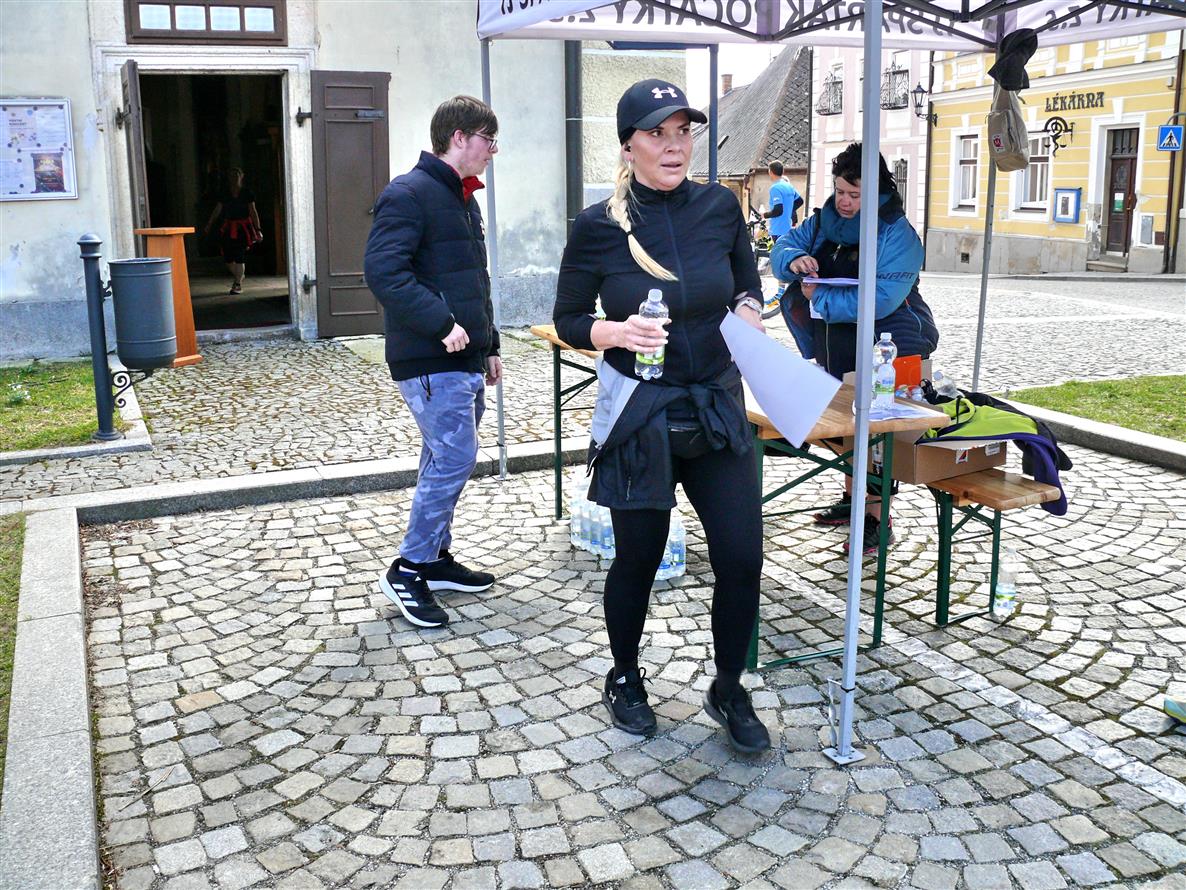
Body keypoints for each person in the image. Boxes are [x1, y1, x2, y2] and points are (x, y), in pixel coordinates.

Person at [554, 79, 772, 754]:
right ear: (629, 146)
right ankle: (624, 675)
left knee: (742, 557)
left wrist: (749, 311)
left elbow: (747, 284)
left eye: (683, 132)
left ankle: (728, 687)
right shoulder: (598, 226)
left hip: (715, 405)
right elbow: (568, 319)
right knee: (639, 559)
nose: (675, 146)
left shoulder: (719, 208)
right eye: (657, 133)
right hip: (643, 414)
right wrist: (616, 333)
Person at [363, 95, 502, 629]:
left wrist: (490, 345)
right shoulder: (409, 194)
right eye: (489, 139)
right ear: (460, 137)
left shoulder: (463, 199)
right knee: (454, 459)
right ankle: (409, 568)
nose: (493, 151)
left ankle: (435, 559)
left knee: (442, 458)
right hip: (429, 356)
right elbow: (384, 273)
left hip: (465, 357)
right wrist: (443, 325)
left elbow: (473, 281)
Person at [771, 142, 939, 554]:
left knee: (878, 434)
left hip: (892, 345)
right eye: (840, 191)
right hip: (837, 341)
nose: (844, 202)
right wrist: (794, 260)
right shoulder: (822, 219)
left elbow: (881, 299)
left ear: (876, 191)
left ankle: (878, 520)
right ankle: (852, 501)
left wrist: (819, 298)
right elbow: (781, 248)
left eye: (854, 194)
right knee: (847, 426)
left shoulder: (897, 233)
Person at [203, 167, 262, 295]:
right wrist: (209, 224)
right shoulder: (225, 193)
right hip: (228, 228)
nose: (234, 178)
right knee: (228, 258)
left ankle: (237, 284)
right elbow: (217, 210)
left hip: (243, 228)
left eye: (236, 175)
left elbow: (253, 211)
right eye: (231, 176)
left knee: (239, 255)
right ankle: (239, 275)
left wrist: (258, 229)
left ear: (241, 176)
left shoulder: (247, 193)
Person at [760, 160, 803, 313]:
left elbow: (778, 210)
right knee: (785, 258)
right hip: (788, 228)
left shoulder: (775, 188)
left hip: (778, 228)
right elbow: (800, 201)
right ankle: (783, 292)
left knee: (779, 261)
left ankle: (781, 294)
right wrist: (790, 212)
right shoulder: (788, 186)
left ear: (770, 172)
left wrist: (764, 214)